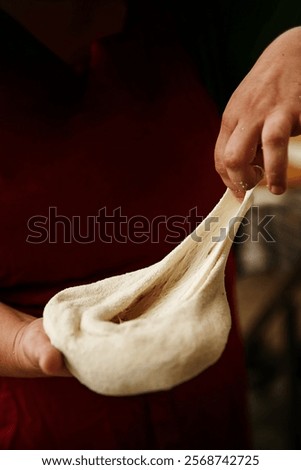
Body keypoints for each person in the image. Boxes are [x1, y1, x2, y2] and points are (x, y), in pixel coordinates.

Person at [0, 0, 300, 450]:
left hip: (209, 405)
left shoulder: (197, 14)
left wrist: (294, 42)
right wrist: (19, 341)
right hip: (41, 430)